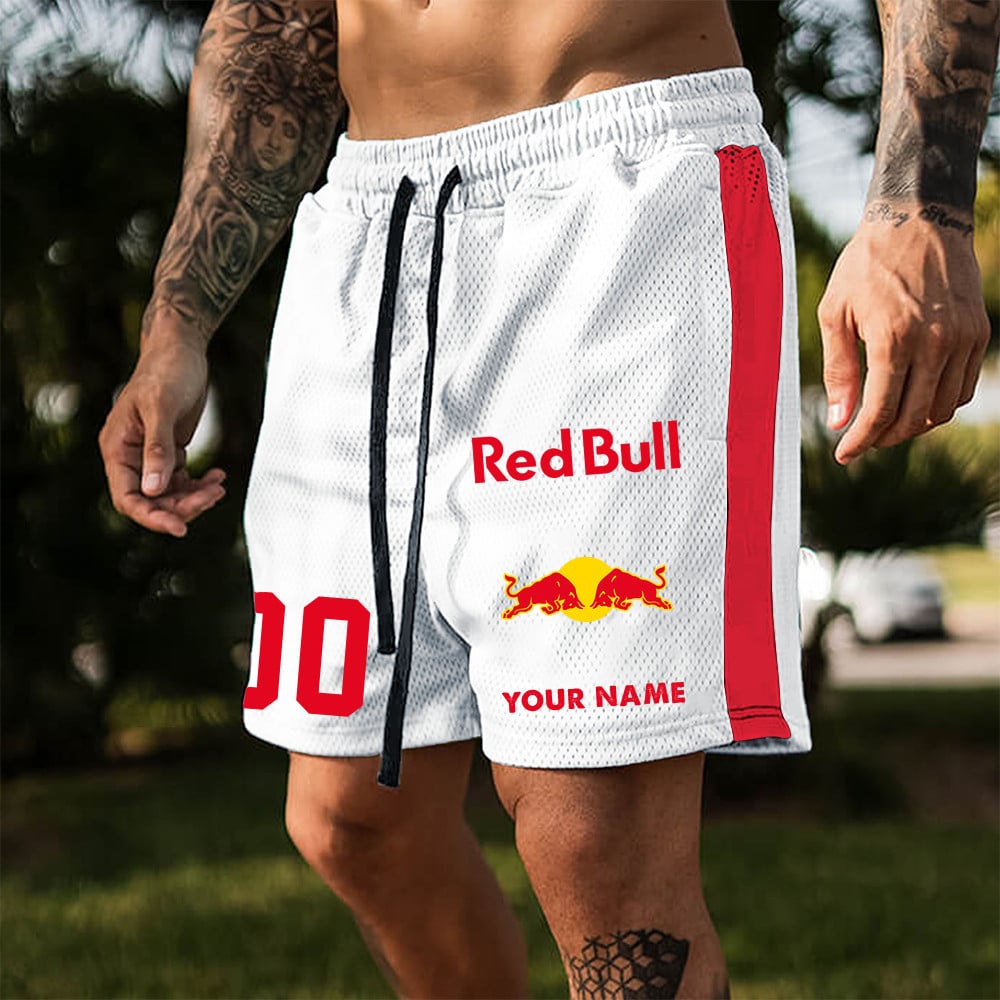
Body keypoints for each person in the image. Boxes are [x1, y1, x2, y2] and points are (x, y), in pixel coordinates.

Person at [98, 1, 998, 996]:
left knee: (594, 843)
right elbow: (273, 28)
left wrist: (922, 203)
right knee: (353, 819)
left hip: (621, 185)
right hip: (366, 226)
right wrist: (176, 321)